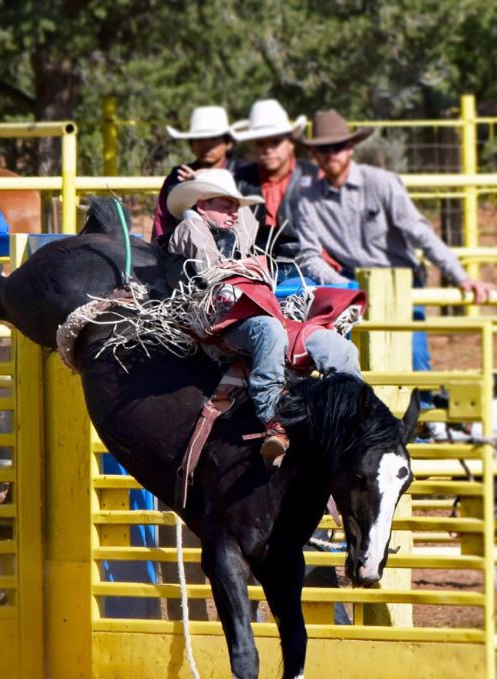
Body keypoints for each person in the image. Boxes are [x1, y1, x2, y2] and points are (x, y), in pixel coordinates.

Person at [167, 168, 361, 467]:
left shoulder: (236, 233)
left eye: (236, 206)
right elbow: (209, 275)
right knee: (269, 330)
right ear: (202, 205)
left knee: (333, 344)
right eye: (225, 205)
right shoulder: (190, 230)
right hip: (218, 321)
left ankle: (354, 415)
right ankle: (273, 418)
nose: (234, 212)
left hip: (261, 309)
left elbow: (247, 238)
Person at [296, 108, 494, 316]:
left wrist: (461, 277)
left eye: (337, 147)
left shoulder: (382, 183)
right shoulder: (307, 200)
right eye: (323, 149)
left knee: (413, 349)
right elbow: (310, 256)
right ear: (314, 154)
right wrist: (349, 287)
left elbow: (419, 232)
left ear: (350, 148)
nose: (330, 155)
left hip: (400, 280)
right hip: (352, 286)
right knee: (353, 348)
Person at [232, 99, 317, 275]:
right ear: (252, 147)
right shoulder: (238, 180)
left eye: (275, 142)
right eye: (260, 143)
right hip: (254, 268)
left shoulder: (315, 177)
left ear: (291, 143)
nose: (268, 150)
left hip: (309, 264)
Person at [151, 106, 244, 245]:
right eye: (199, 139)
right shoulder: (177, 178)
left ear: (228, 143)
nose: (206, 145)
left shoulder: (244, 175)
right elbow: (163, 223)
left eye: (213, 139)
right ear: (191, 144)